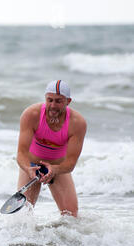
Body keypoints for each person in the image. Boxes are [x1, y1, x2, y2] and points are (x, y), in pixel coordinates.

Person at [16, 80, 87, 217]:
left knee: (71, 215)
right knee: (23, 216)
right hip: (32, 166)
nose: (53, 106)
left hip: (58, 167)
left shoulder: (77, 123)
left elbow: (71, 163)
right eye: (50, 100)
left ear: (68, 101)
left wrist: (54, 170)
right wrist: (27, 168)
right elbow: (21, 153)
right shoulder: (31, 114)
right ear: (45, 98)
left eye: (58, 101)